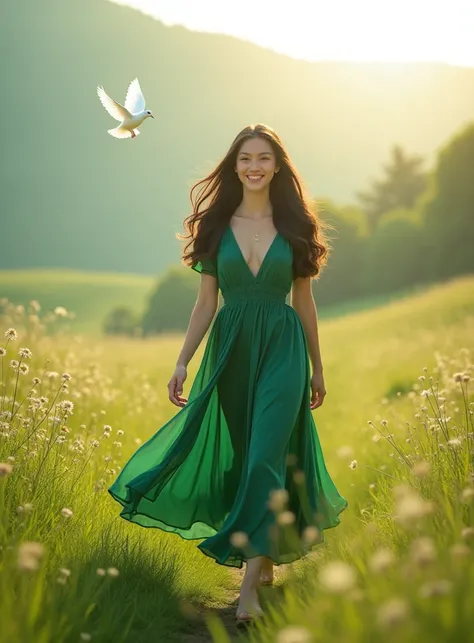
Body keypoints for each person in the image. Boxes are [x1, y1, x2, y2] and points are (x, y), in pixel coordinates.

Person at [108, 123, 348, 626]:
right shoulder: (216, 228)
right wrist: (182, 360)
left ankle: (247, 597)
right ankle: (264, 557)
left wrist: (317, 367)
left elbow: (304, 302)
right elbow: (204, 304)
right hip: (230, 349)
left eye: (263, 158)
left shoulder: (297, 226)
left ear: (278, 166)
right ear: (234, 166)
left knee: (264, 458)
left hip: (283, 347)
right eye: (245, 159)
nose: (254, 167)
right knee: (246, 457)